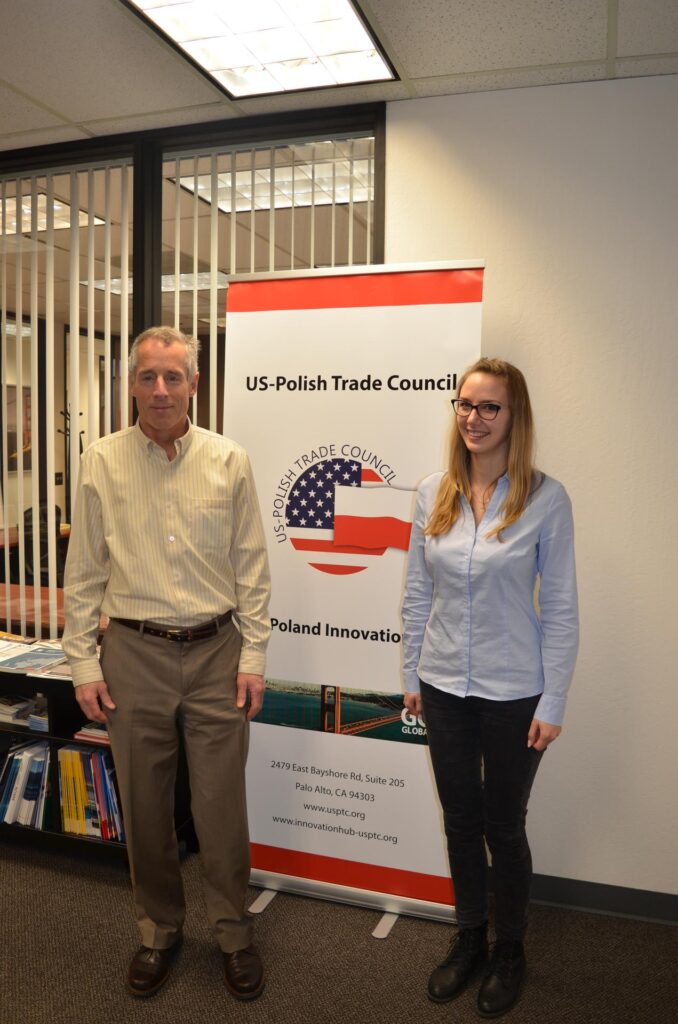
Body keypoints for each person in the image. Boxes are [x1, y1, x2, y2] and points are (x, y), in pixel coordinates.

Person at [62, 326, 271, 1001]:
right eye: (147, 377)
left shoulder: (229, 459)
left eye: (172, 377)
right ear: (131, 385)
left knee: (221, 810)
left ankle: (233, 934)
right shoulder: (101, 461)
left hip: (217, 656)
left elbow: (251, 565)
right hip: (133, 655)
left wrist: (254, 654)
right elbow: (85, 571)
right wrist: (84, 664)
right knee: (146, 809)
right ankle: (158, 931)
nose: (159, 389)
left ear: (193, 384)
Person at [401, 357, 578, 1018]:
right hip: (443, 685)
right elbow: (417, 594)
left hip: (514, 693)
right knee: (460, 820)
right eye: (464, 404)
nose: (473, 418)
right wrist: (411, 676)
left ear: (514, 416)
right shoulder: (432, 492)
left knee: (504, 826)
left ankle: (510, 949)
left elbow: (560, 609)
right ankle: (470, 937)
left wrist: (553, 702)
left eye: (489, 407)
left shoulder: (546, 499)